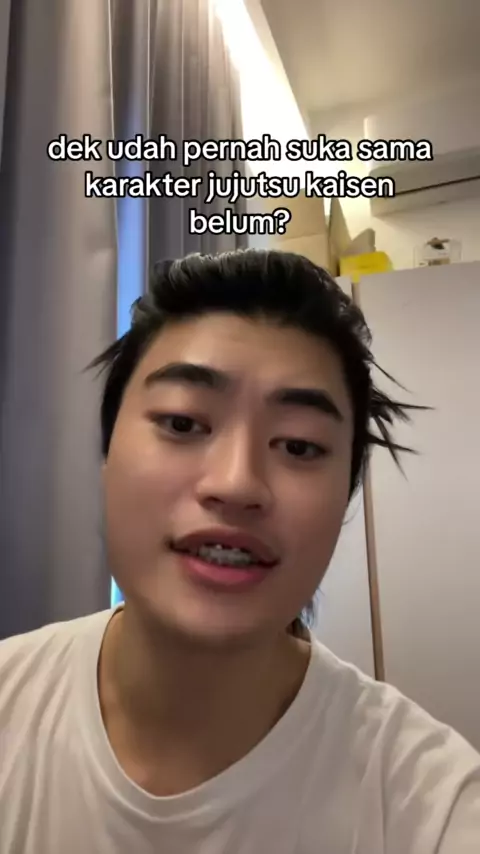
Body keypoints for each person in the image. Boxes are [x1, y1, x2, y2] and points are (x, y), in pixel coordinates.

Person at [0, 249, 479, 853]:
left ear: (346, 497)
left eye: (299, 447)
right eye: (182, 424)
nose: (236, 483)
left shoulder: (428, 806)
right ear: (106, 456)